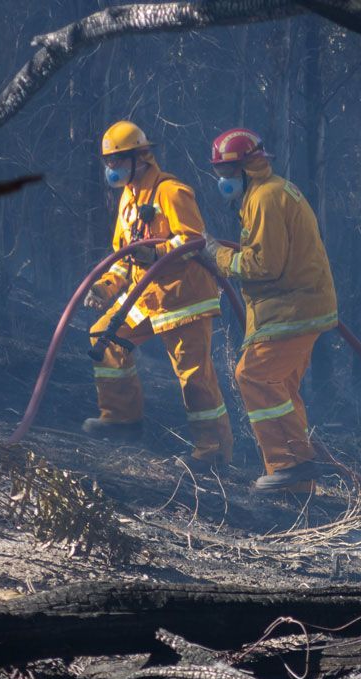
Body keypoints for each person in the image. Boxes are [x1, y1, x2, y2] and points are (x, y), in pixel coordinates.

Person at [83, 120, 232, 467]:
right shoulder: (127, 201)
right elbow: (122, 256)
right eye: (108, 162)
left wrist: (157, 253)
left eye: (118, 160)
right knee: (106, 336)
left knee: (194, 377)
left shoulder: (171, 191)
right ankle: (122, 420)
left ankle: (212, 452)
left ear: (141, 157)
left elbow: (193, 241)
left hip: (183, 300)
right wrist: (105, 288)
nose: (112, 168)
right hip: (146, 298)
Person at [199, 128, 337, 492]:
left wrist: (217, 256)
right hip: (299, 307)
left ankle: (291, 465)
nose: (223, 181)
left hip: (290, 310)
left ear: (247, 167)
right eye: (220, 173)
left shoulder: (265, 198)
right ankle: (295, 479)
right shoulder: (269, 193)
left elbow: (264, 266)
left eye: (227, 173)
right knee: (281, 388)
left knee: (254, 375)